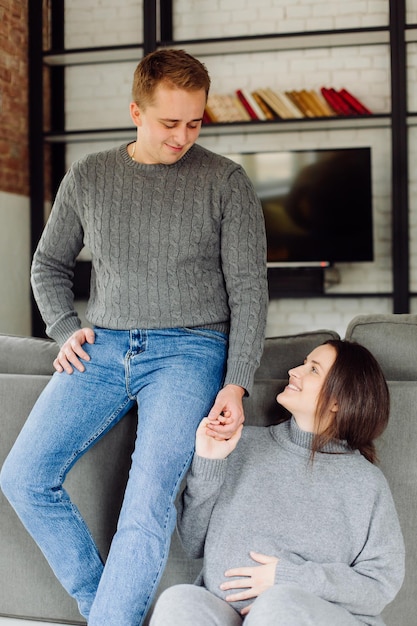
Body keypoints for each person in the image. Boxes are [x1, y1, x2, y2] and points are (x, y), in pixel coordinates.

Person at [0, 49, 268, 626]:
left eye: (195, 122)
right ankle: (106, 610)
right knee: (22, 477)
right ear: (136, 112)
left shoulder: (226, 181)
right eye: (170, 123)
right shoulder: (90, 176)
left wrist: (237, 384)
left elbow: (249, 290)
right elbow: (48, 264)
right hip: (103, 349)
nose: (183, 136)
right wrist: (64, 329)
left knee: (146, 505)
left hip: (190, 351)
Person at [150, 339, 405, 626]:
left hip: (314, 616)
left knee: (278, 604)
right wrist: (209, 463)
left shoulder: (366, 482)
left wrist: (288, 578)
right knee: (178, 601)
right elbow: (194, 542)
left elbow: (380, 584)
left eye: (313, 370)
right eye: (303, 363)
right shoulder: (243, 444)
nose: (294, 371)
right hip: (228, 613)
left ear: (338, 401)